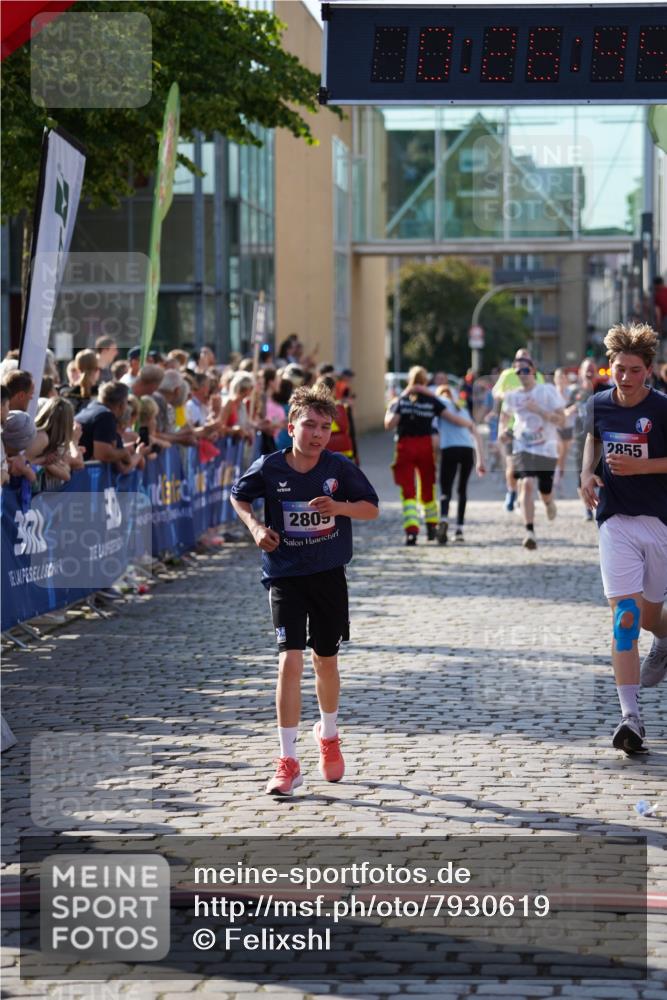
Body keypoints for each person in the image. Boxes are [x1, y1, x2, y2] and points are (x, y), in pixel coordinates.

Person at [230, 384, 379, 796]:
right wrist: (256, 527)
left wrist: (340, 508)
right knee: (288, 661)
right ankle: (288, 761)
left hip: (328, 574)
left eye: (325, 428)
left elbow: (372, 507)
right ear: (290, 425)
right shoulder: (270, 467)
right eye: (309, 425)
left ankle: (328, 735)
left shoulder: (338, 467)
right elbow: (238, 497)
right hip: (285, 575)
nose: (317, 434)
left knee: (325, 661)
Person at [580, 322, 667, 754]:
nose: (626, 378)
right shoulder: (598, 404)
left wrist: (644, 467)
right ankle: (630, 718)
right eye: (619, 369)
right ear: (608, 367)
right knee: (626, 619)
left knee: (652, 617)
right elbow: (593, 440)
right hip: (615, 521)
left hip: (659, 524)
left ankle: (665, 639)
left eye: (634, 370)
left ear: (648, 371)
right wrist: (584, 474)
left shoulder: (663, 409)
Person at [385, 366, 470, 545]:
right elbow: (452, 418)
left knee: (408, 490)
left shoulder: (403, 400)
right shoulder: (432, 401)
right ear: (425, 381)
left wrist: (399, 400)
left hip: (405, 446)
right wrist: (470, 425)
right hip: (425, 446)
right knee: (428, 486)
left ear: (409, 381)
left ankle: (411, 532)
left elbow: (389, 424)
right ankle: (431, 527)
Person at [499, 356, 565, 549]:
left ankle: (548, 502)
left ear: (533, 370)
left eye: (525, 370)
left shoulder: (547, 391)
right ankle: (530, 532)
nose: (522, 375)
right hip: (523, 446)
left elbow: (561, 420)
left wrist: (539, 411)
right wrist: (501, 433)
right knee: (526, 483)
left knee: (544, 490)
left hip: (546, 448)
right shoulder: (513, 396)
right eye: (517, 372)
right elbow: (504, 418)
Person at [493, 349, 546, 511]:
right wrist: (506, 396)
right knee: (511, 466)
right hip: (510, 427)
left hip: (530, 429)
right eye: (519, 359)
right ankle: (512, 491)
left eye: (525, 359)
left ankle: (525, 497)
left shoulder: (538, 376)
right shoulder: (508, 374)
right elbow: (495, 392)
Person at [435, 384, 485, 544]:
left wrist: (435, 457)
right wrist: (480, 460)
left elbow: (435, 438)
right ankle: (459, 529)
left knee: (445, 488)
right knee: (462, 489)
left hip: (450, 449)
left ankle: (443, 519)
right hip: (467, 450)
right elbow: (476, 435)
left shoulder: (439, 409)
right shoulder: (461, 410)